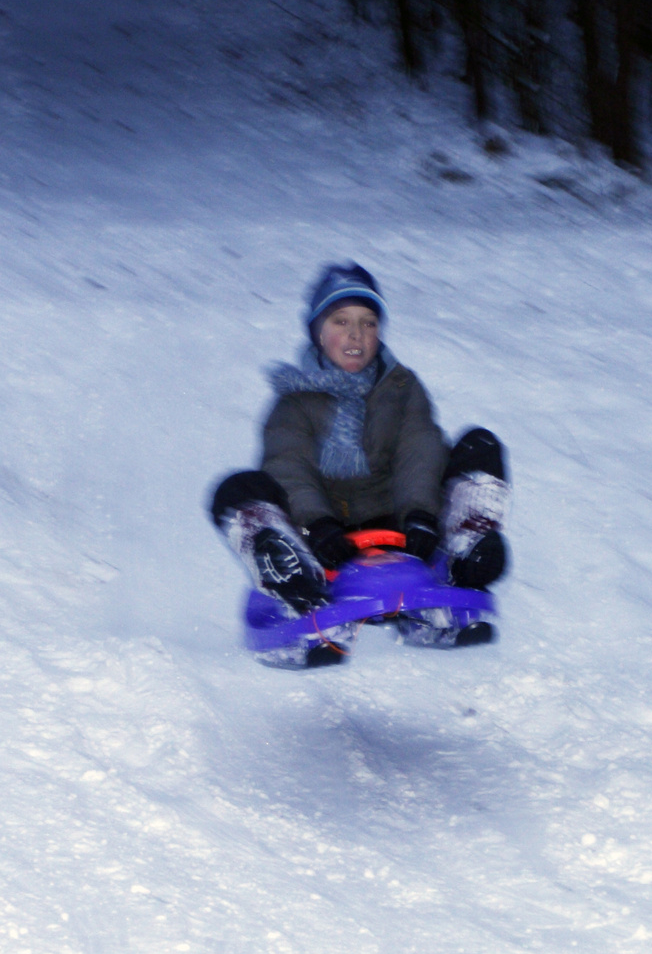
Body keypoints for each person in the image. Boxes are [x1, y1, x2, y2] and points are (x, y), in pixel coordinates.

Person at [209, 263, 510, 667]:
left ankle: (463, 561)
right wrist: (317, 526)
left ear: (380, 332)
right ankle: (297, 587)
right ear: (317, 331)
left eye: (368, 323)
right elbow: (288, 467)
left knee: (480, 446)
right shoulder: (293, 403)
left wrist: (420, 517)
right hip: (321, 542)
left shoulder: (402, 389)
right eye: (341, 321)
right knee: (238, 490)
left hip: (408, 532)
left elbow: (419, 453)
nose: (356, 334)